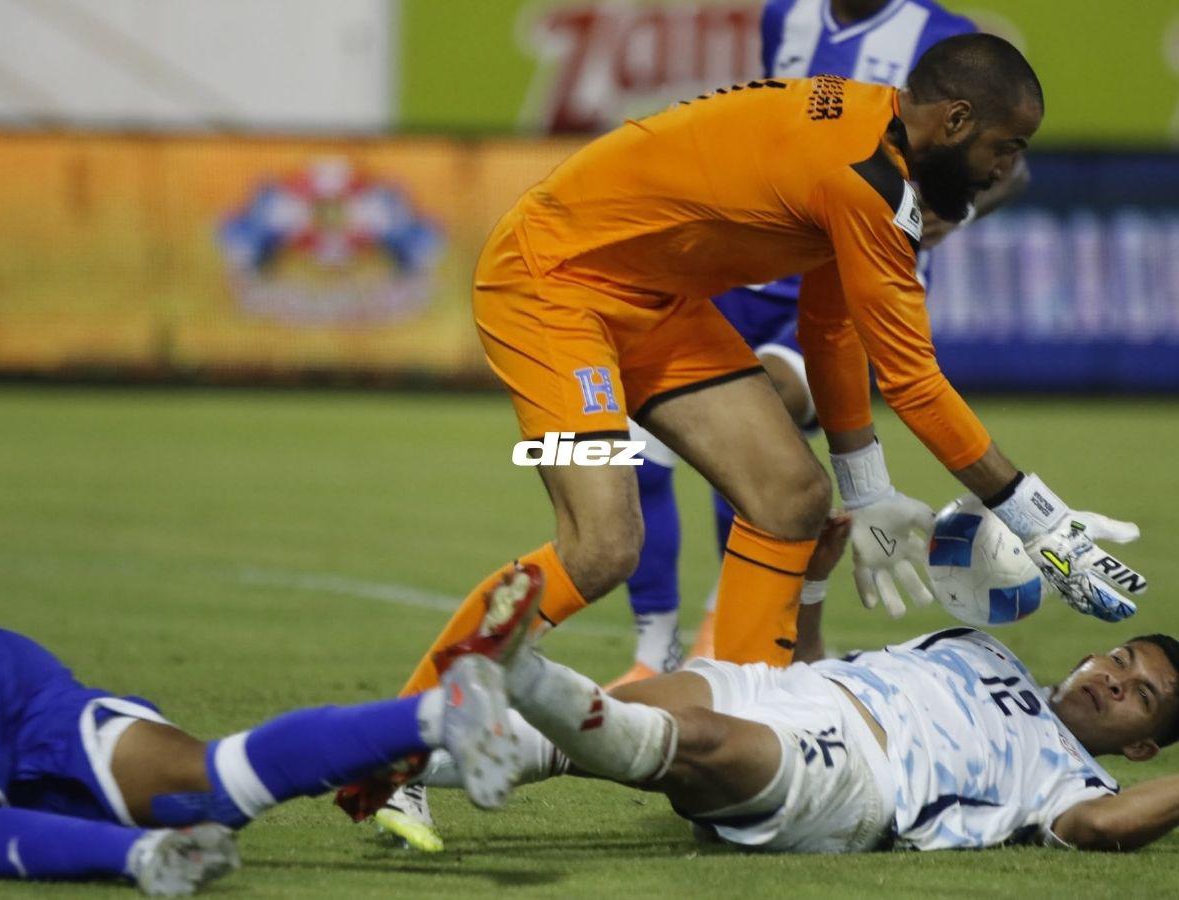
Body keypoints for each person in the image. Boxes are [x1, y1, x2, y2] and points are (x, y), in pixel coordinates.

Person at [366, 33, 1147, 844]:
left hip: (654, 299)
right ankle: (391, 754)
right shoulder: (866, 182)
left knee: (791, 498)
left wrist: (867, 486)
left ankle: (744, 715)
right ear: (954, 120)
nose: (1004, 171)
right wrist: (1044, 524)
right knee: (602, 545)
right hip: (553, 283)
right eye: (1005, 146)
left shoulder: (877, 142)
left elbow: (829, 319)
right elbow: (913, 380)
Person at [616, 0, 1024, 688]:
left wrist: (949, 211)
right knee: (639, 448)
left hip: (841, 286)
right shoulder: (786, 17)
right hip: (746, 268)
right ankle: (655, 653)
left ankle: (734, 633)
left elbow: (1008, 166)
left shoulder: (949, 39)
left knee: (762, 423)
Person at [419, 527, 1179, 855]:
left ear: (1143, 745)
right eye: (1120, 659)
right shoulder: (977, 647)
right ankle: (394, 763)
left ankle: (520, 667)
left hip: (863, 776)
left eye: (1142, 695)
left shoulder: (1076, 781)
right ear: (1089, 653)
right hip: (802, 688)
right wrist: (814, 578)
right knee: (625, 719)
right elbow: (819, 659)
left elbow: (1105, 829)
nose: (1116, 681)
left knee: (697, 745)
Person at [0, 577, 537, 895]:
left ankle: (141, 856)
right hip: (43, 717)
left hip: (16, 696)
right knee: (210, 792)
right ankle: (439, 712)